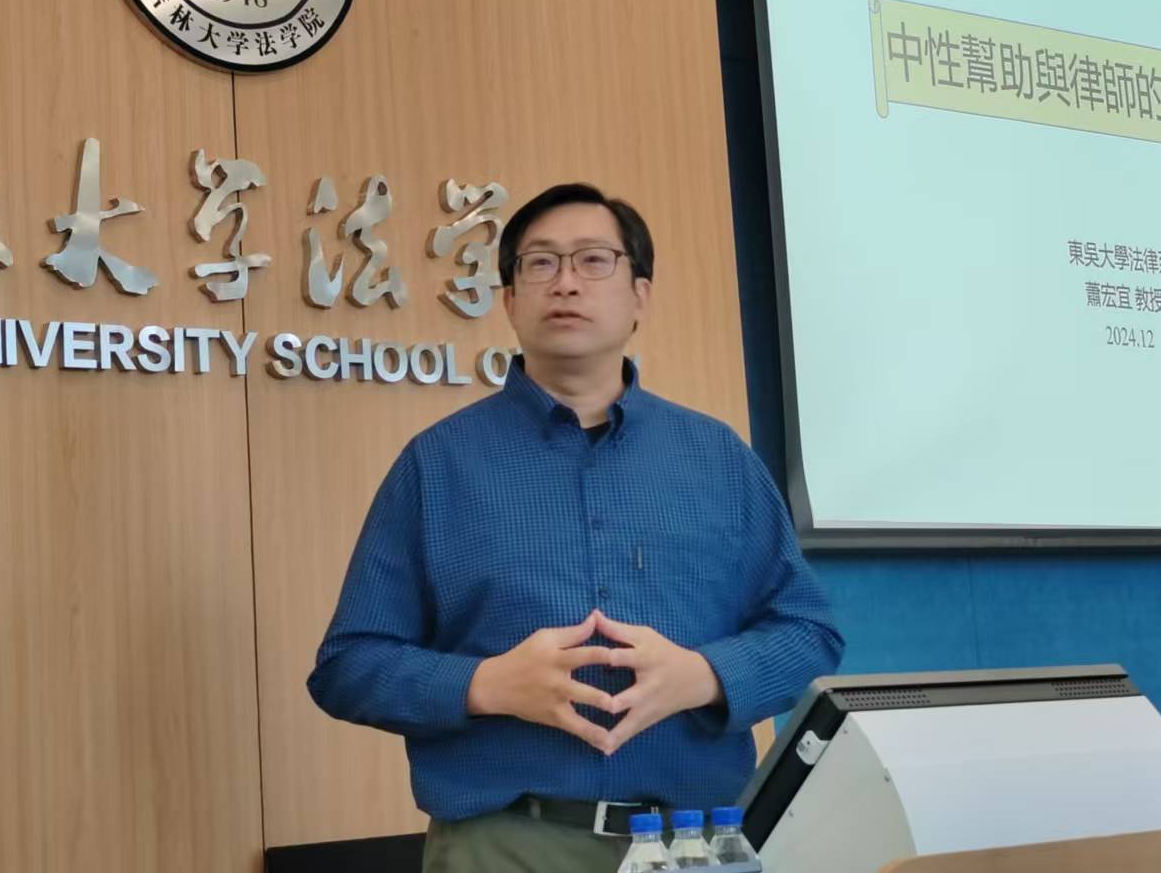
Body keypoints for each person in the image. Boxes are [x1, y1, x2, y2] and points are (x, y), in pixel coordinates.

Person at [308, 182, 844, 872]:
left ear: (640, 296)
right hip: (505, 844)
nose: (565, 282)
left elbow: (809, 633)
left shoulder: (718, 459)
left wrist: (703, 675)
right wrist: (485, 685)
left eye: (594, 260)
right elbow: (349, 666)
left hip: (695, 843)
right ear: (509, 300)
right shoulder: (437, 465)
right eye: (540, 263)